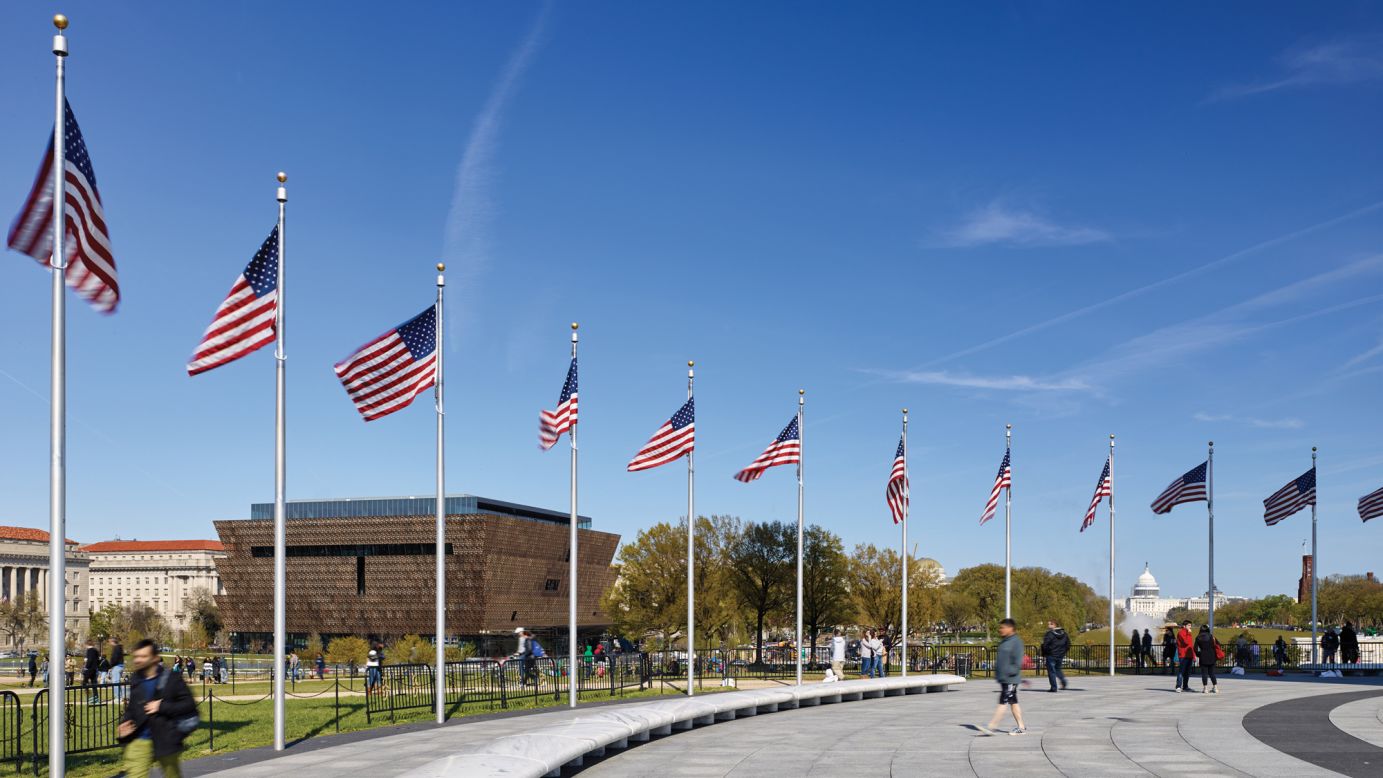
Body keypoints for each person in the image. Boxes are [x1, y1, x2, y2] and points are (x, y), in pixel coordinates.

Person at [117, 638, 198, 778]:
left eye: (143, 656)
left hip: (166, 738)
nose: (138, 660)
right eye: (136, 656)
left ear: (154, 658)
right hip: (139, 740)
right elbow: (132, 707)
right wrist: (126, 721)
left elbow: (189, 704)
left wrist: (161, 706)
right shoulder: (136, 678)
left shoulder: (172, 678)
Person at [983, 618, 1027, 736]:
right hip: (1005, 679)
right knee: (1013, 702)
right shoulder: (1004, 641)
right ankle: (1021, 727)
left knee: (1003, 701)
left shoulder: (1016, 642)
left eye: (1003, 627)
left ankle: (992, 726)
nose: (1000, 630)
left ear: (1010, 628)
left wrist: (1008, 672)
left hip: (1011, 679)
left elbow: (1017, 663)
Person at [1039, 620, 1069, 692]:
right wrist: (1063, 652)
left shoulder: (1049, 634)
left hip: (1051, 655)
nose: (1048, 625)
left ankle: (1053, 687)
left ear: (1054, 625)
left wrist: (1046, 653)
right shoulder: (1064, 634)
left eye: (1050, 624)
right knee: (1057, 669)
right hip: (1060, 655)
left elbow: (1045, 645)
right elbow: (1068, 644)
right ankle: (1063, 681)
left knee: (1051, 671)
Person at [1195, 624, 1220, 693]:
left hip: (1203, 656)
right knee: (1212, 673)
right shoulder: (1211, 636)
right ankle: (1215, 687)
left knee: (1204, 673)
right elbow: (1218, 644)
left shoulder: (1198, 638)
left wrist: (1199, 655)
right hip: (1212, 656)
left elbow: (1195, 649)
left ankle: (1205, 688)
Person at [1175, 620, 1195, 692]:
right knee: (1182, 671)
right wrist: (1189, 633)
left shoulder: (1187, 633)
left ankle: (1185, 686)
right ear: (1184, 626)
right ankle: (1178, 686)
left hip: (1189, 655)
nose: (1190, 627)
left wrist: (1193, 655)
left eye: (1190, 625)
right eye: (1189, 625)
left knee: (1187, 672)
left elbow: (1190, 645)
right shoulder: (1181, 633)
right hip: (1183, 655)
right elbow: (1186, 642)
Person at [84, 639, 102, 704]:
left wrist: (86, 666)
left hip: (90, 669)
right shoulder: (96, 651)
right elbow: (99, 660)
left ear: (87, 644)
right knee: (94, 684)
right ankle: (96, 698)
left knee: (84, 683)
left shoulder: (89, 650)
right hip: (95, 669)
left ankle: (90, 697)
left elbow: (90, 660)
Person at [110, 638, 126, 703]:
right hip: (119, 666)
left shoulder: (116, 648)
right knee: (117, 682)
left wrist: (110, 665)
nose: (109, 643)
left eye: (110, 642)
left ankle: (118, 697)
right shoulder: (119, 647)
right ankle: (120, 697)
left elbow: (115, 658)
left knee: (115, 682)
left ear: (113, 642)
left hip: (117, 666)